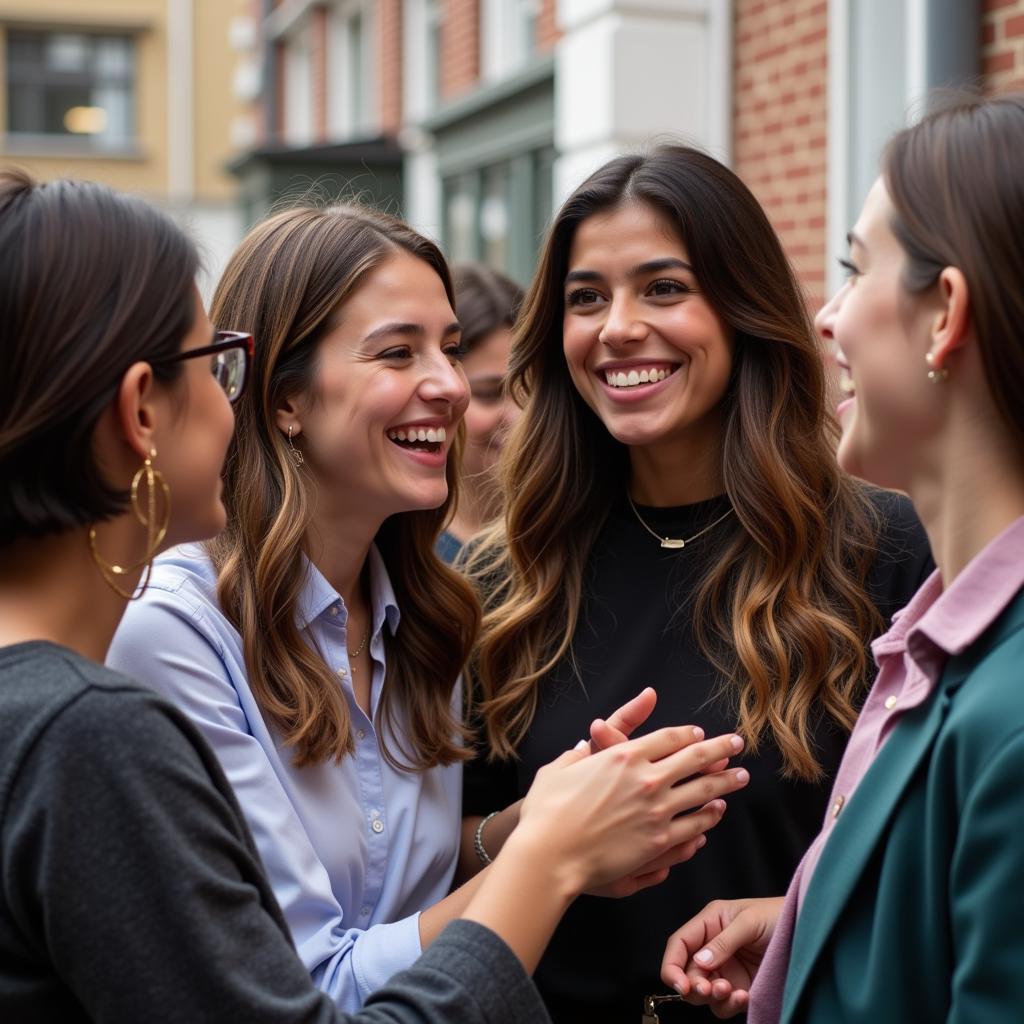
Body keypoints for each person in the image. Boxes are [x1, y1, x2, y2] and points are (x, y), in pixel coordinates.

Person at [0, 168, 747, 1024]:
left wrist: (517, 829)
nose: (451, 387)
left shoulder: (432, 612)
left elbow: (407, 899)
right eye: (399, 352)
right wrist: (551, 856)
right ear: (283, 398)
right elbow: (313, 986)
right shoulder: (166, 641)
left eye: (453, 348)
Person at [463, 144, 934, 1020]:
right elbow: (426, 859)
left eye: (664, 288)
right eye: (586, 298)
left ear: (741, 306)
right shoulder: (500, 575)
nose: (618, 327)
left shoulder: (885, 548)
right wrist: (541, 829)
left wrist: (795, 920)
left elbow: (933, 847)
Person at [660, 91, 1024, 1024]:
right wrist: (814, 937)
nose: (827, 317)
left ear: (945, 313)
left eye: (856, 272)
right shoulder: (946, 645)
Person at [436, 264, 523, 562]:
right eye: (489, 393)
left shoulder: (575, 536)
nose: (519, 416)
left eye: (532, 389)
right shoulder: (397, 550)